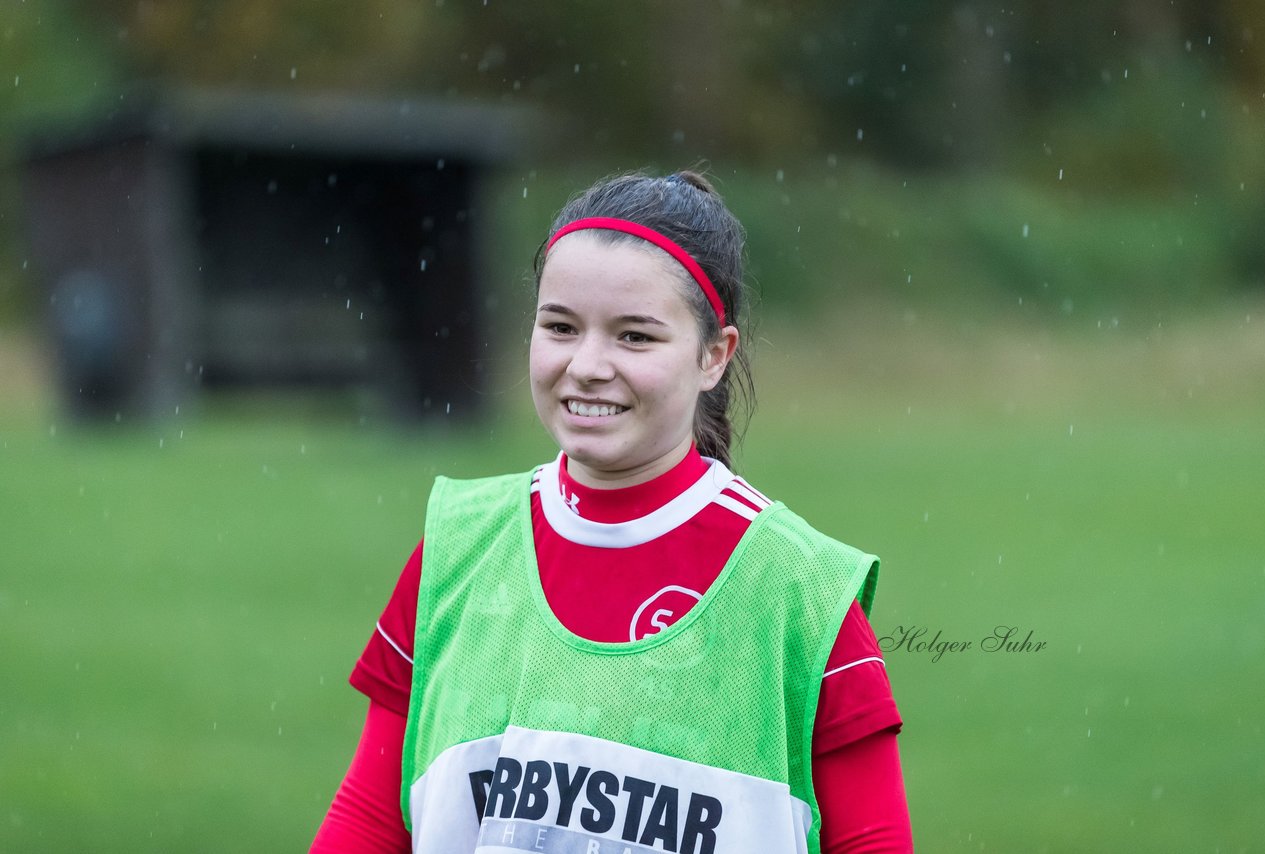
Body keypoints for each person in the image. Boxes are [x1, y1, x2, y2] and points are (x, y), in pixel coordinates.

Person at [312, 171, 912, 853]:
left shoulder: (801, 591)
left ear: (714, 355)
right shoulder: (458, 547)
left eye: (634, 337)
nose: (588, 365)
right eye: (561, 327)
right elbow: (371, 815)